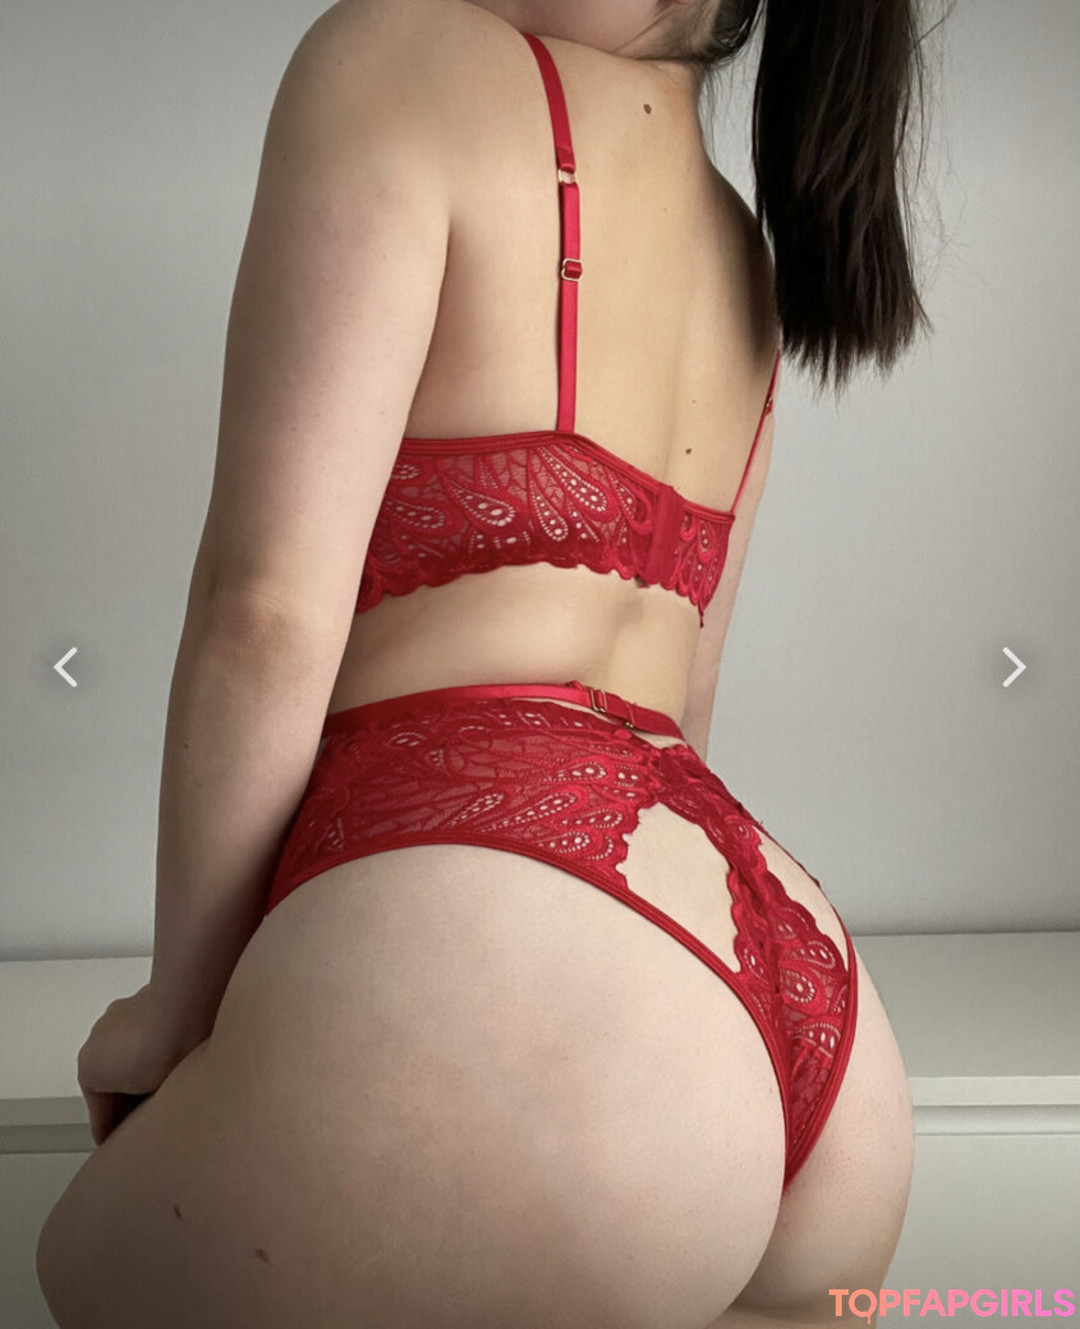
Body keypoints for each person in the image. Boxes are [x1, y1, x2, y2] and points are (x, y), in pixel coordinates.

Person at [37, 0, 939, 1324]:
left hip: (534, 1006)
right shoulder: (739, 243)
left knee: (74, 1261)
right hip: (796, 1027)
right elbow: (681, 707)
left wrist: (179, 1010)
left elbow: (266, 614)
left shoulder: (399, 60)